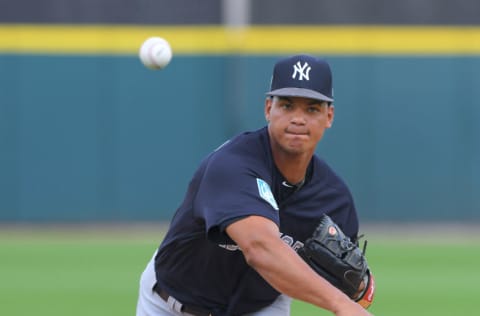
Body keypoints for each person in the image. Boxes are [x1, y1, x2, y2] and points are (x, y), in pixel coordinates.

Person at [136, 54, 373, 316]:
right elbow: (260, 249)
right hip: (173, 303)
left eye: (312, 109)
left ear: (329, 116)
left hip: (260, 308)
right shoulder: (232, 165)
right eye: (287, 105)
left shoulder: (334, 200)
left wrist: (359, 291)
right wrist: (341, 305)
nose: (298, 118)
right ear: (268, 108)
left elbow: (348, 282)